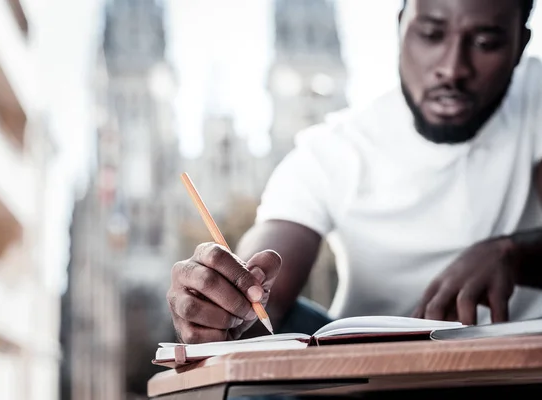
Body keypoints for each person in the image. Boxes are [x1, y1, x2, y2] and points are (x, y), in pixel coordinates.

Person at [167, 0, 542, 345]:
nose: (452, 68)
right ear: (401, 26)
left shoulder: (535, 101)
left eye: (485, 42)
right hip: (370, 375)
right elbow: (268, 261)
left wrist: (513, 254)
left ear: (520, 45)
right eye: (431, 34)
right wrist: (223, 298)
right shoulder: (330, 151)